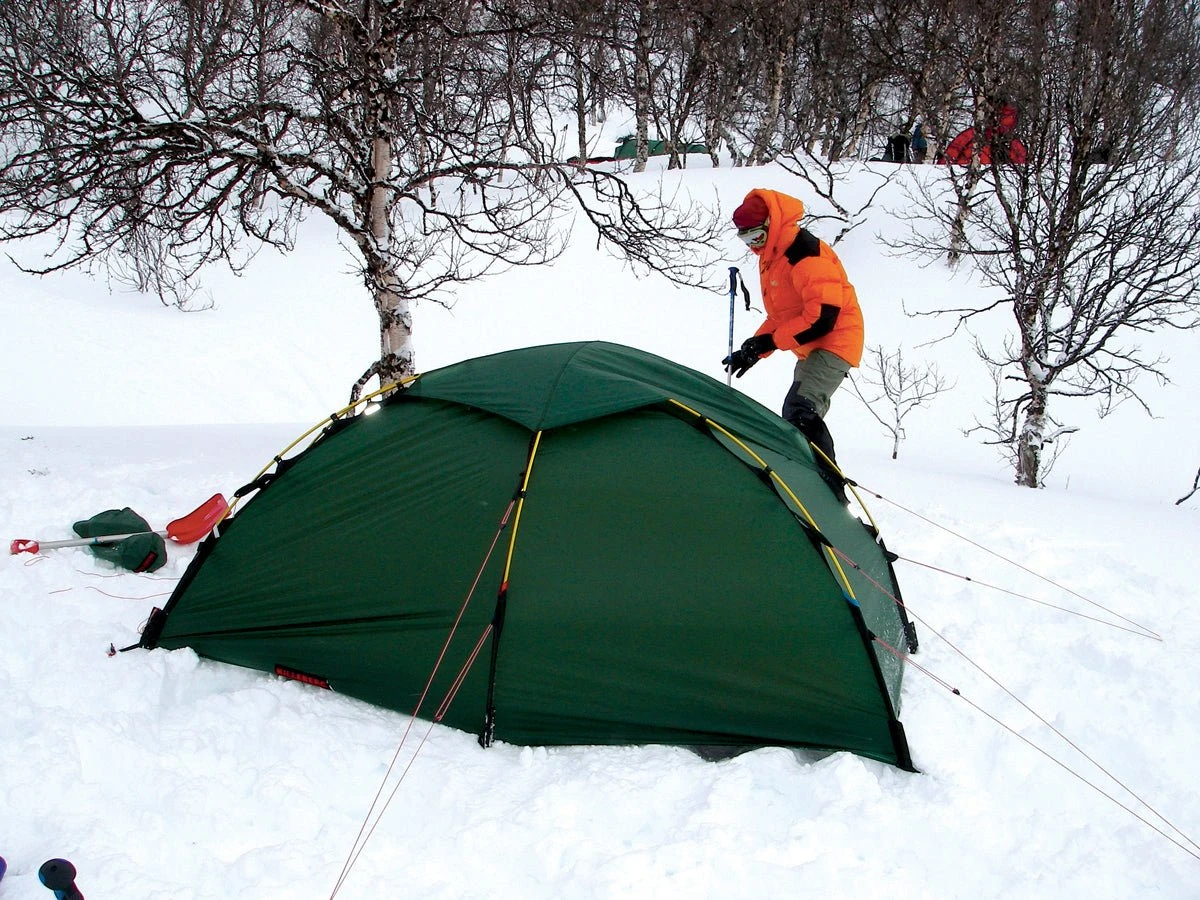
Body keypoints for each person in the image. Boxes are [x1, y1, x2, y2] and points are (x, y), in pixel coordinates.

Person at [723, 189, 864, 503]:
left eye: (757, 237)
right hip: (812, 346)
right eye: (746, 241)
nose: (753, 247)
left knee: (801, 410)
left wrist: (771, 341)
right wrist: (754, 349)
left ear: (772, 224)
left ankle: (829, 494)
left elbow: (823, 317)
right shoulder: (772, 255)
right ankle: (808, 484)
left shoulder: (804, 254)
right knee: (797, 413)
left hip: (836, 340)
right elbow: (784, 315)